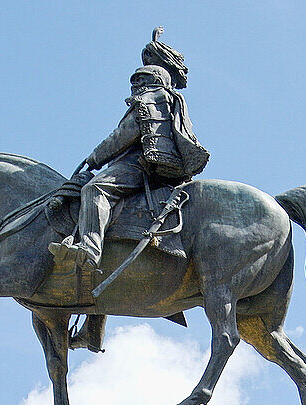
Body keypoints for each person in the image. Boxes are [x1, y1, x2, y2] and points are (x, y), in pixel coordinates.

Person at [48, 31, 208, 273]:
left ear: (151, 80)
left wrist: (95, 158)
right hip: (156, 165)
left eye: (139, 80)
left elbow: (123, 135)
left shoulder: (150, 99)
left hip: (138, 164)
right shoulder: (167, 99)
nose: (134, 85)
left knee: (95, 189)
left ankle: (90, 250)